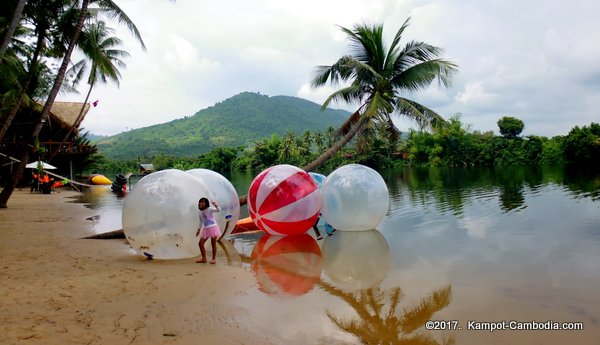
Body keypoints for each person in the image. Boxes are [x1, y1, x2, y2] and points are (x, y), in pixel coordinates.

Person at [195, 197, 221, 264]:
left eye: (203, 202)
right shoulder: (199, 211)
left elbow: (218, 210)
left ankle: (214, 259)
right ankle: (204, 258)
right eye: (200, 202)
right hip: (206, 229)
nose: (201, 203)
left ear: (206, 203)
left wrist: (215, 205)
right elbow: (201, 222)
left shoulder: (209, 209)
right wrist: (198, 230)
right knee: (200, 244)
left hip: (213, 228)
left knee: (213, 244)